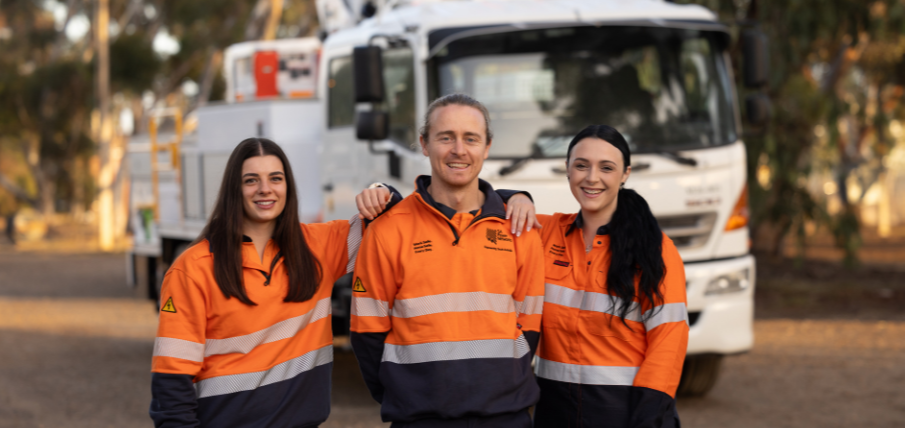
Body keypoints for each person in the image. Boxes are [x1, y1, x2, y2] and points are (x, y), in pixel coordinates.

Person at [360, 124, 689, 427]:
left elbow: (669, 338)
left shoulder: (655, 249)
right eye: (581, 165)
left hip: (626, 410)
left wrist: (651, 410)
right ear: (567, 170)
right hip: (555, 408)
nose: (592, 178)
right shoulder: (543, 233)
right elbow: (480, 207)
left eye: (606, 168)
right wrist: (515, 196)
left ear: (625, 174)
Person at [149, 137, 398, 428]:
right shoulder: (192, 269)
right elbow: (171, 381)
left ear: (287, 186)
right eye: (251, 180)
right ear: (234, 189)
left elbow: (390, 225)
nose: (265, 189)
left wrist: (382, 191)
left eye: (275, 178)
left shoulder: (319, 246)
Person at [349, 94, 546, 427]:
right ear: (424, 144)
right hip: (420, 418)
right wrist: (404, 393)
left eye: (471, 139)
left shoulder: (519, 229)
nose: (459, 150)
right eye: (446, 137)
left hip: (505, 416)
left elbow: (529, 325)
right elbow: (367, 331)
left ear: (487, 147)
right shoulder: (387, 228)